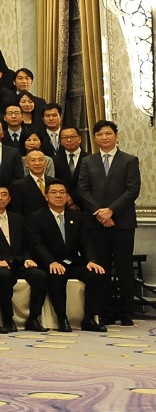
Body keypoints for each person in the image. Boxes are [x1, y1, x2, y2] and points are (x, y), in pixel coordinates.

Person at [76, 120, 140, 326]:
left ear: (116, 136)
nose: (104, 137)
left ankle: (126, 312)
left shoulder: (129, 160)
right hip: (96, 223)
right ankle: (104, 311)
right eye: (100, 134)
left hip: (122, 223)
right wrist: (100, 213)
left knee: (124, 268)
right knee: (100, 268)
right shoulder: (88, 161)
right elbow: (82, 190)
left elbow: (132, 190)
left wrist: (111, 210)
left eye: (108, 134)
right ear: (95, 138)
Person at [30, 179, 108, 332]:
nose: (58, 196)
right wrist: (50, 262)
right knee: (57, 274)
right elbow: (37, 245)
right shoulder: (37, 217)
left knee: (96, 273)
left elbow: (86, 242)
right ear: (46, 197)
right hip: (51, 263)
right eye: (54, 192)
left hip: (72, 262)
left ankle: (89, 318)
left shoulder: (77, 216)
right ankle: (62, 319)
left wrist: (91, 260)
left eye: (62, 192)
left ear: (68, 196)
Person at [0, 182, 48, 334]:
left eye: (4, 195)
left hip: (18, 262)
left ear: (9, 199)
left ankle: (33, 318)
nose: (0, 198)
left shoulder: (18, 219)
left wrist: (28, 258)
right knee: (4, 275)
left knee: (40, 275)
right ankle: (8, 319)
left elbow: (27, 245)